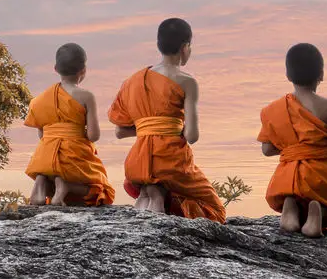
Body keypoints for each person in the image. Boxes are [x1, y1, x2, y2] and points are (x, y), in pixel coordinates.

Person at [108, 18, 226, 222]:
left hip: (137, 160)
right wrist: (169, 128)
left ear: (158, 45)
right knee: (215, 210)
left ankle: (152, 191)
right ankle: (159, 192)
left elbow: (120, 131)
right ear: (185, 47)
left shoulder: (131, 82)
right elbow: (192, 135)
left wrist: (149, 129)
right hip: (170, 160)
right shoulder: (187, 81)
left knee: (147, 192)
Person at [258, 43, 327, 237]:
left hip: (288, 181)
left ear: (288, 76)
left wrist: (295, 148)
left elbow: (267, 149)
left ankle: (292, 208)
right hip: (322, 179)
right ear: (321, 75)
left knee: (297, 198)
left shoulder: (273, 110)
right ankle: (321, 215)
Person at [25, 43, 115, 206]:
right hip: (74, 158)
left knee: (50, 173)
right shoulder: (86, 96)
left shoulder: (38, 100)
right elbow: (93, 136)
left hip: (43, 159)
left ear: (55, 68)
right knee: (101, 190)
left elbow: (42, 135)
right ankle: (67, 186)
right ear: (83, 70)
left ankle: (42, 181)